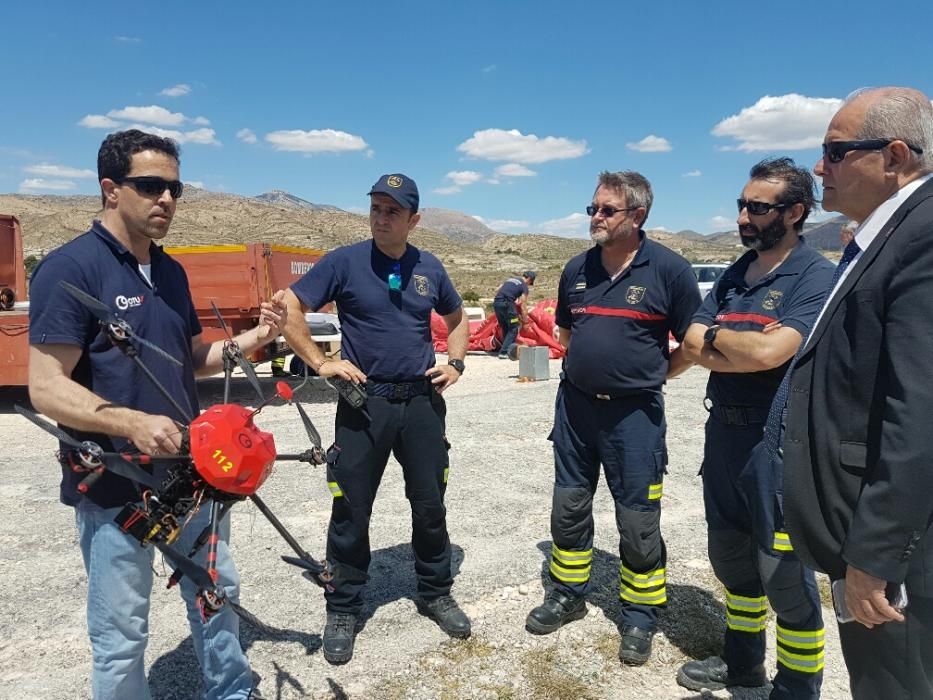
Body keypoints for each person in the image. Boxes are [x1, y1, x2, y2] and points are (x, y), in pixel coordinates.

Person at [27, 129, 286, 700]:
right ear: (110, 189)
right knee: (122, 633)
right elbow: (45, 387)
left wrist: (256, 338)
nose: (166, 198)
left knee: (217, 592)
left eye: (174, 187)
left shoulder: (170, 272)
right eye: (150, 186)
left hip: (192, 476)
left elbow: (193, 361)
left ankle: (231, 691)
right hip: (116, 484)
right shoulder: (70, 269)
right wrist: (131, 423)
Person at [774, 87, 933, 699]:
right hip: (874, 538)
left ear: (894, 156)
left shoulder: (921, 237)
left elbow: (919, 413)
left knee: (893, 683)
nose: (819, 169)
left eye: (835, 152)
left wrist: (876, 555)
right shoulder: (885, 236)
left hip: (896, 556)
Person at [281, 173, 470, 665]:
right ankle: (343, 607)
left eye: (393, 211)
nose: (382, 218)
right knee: (351, 508)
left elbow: (457, 318)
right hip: (364, 405)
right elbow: (291, 307)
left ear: (414, 219)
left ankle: (435, 591)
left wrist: (456, 361)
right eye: (376, 208)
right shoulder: (344, 262)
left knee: (430, 504)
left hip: (423, 405)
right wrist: (321, 363)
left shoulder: (429, 267)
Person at [524, 170, 700, 665]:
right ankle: (566, 593)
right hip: (577, 410)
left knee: (638, 519)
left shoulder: (670, 270)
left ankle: (641, 613)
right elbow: (565, 335)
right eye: (593, 209)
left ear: (638, 215)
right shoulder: (577, 269)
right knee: (569, 507)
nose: (595, 218)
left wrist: (650, 374)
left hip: (635, 417)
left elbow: (690, 345)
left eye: (606, 210)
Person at [676, 158, 835, 697]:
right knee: (733, 561)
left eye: (757, 207)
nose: (744, 215)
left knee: (783, 573)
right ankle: (742, 663)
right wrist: (729, 341)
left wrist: (718, 339)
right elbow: (692, 346)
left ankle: (798, 686)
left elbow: (772, 353)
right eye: (742, 205)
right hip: (723, 435)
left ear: (794, 212)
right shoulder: (735, 273)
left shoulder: (815, 276)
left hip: (776, 442)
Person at [492, 270, 536, 358]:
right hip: (507, 305)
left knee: (505, 326)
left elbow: (498, 289)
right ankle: (504, 352)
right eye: (530, 283)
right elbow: (523, 304)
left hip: (497, 304)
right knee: (514, 326)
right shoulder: (524, 286)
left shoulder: (510, 280)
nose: (528, 285)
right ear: (530, 279)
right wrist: (525, 321)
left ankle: (506, 350)